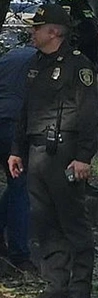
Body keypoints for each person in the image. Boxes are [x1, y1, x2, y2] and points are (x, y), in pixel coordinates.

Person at [8, 3, 98, 298]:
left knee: (72, 220)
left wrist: (84, 156)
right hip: (36, 152)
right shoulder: (36, 64)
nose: (33, 33)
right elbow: (26, 110)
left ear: (54, 32)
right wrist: (16, 150)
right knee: (44, 222)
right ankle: (57, 284)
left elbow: (87, 114)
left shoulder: (78, 65)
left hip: (64, 152)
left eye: (38, 28)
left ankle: (80, 286)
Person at [0, 46, 36, 274]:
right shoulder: (45, 63)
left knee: (15, 187)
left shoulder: (11, 56)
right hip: (13, 125)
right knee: (20, 186)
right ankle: (20, 254)